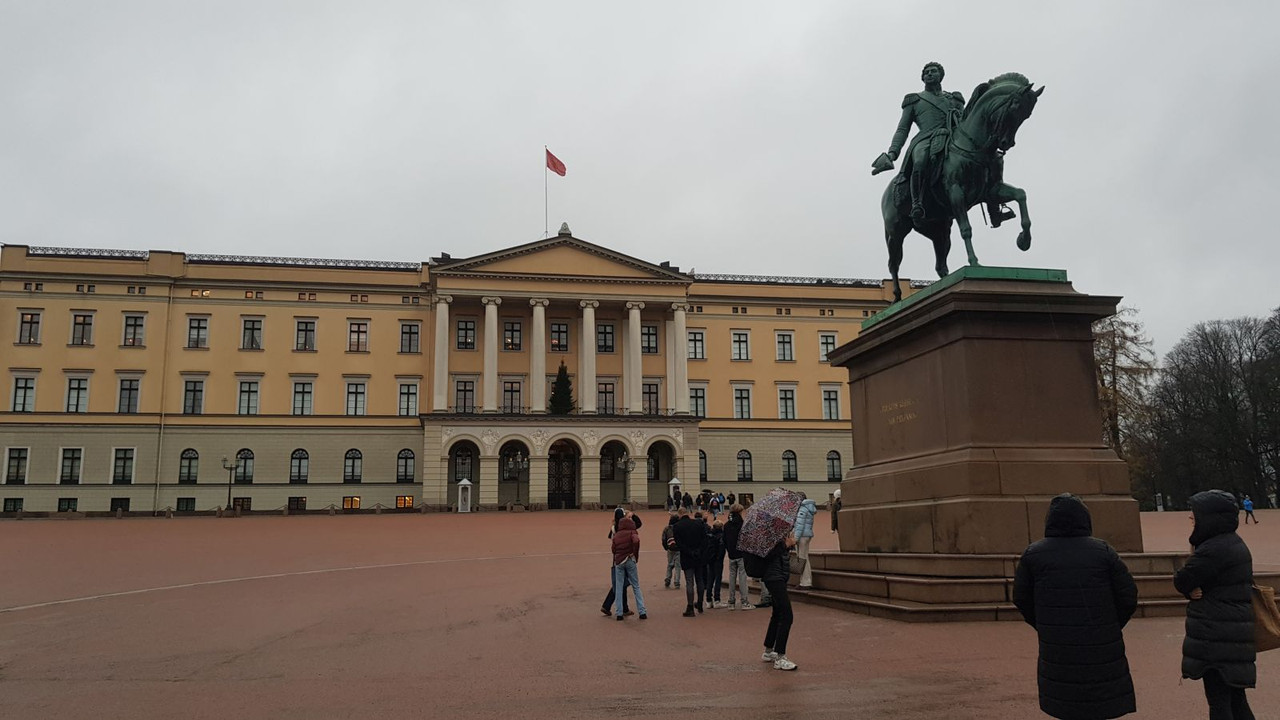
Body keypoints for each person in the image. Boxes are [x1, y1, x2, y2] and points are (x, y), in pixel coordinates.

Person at [1012, 494, 1138, 720]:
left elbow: (1022, 598)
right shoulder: (1103, 551)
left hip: (1058, 643)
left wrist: (1047, 625)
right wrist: (1109, 625)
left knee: (1065, 704)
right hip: (1100, 642)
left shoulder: (1034, 554)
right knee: (1101, 703)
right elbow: (1128, 597)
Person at [1174, 490, 1256, 720]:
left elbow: (1183, 579)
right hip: (1232, 633)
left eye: (1195, 514)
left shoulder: (1212, 549)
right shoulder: (1232, 542)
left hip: (1216, 634)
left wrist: (1189, 587)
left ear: (1209, 517)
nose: (1191, 518)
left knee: (1219, 702)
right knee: (1236, 700)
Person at [760, 535, 798, 671]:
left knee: (777, 613)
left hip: (778, 576)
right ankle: (780, 657)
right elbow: (768, 554)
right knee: (787, 615)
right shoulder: (768, 535)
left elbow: (779, 554)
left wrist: (788, 545)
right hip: (774, 577)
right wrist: (785, 545)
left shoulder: (777, 534)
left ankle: (769, 650)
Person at [601, 507, 642, 616]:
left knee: (620, 582)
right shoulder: (625, 526)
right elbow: (639, 524)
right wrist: (633, 515)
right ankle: (614, 606)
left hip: (617, 556)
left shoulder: (614, 527)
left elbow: (611, 538)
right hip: (626, 556)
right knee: (622, 583)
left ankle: (619, 607)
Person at [610, 515, 647, 620]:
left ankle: (619, 613)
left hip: (619, 561)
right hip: (630, 559)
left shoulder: (616, 535)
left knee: (619, 587)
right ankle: (642, 611)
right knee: (636, 586)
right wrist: (634, 553)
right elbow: (636, 541)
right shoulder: (632, 532)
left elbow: (613, 549)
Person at [672, 507, 707, 617]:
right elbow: (704, 540)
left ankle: (690, 607)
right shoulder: (698, 524)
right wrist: (698, 551)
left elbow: (678, 543)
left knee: (689, 581)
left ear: (679, 514)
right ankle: (700, 603)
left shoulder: (677, 526)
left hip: (687, 556)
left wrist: (689, 552)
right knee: (700, 580)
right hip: (699, 556)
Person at [723, 503, 753, 610]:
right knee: (742, 578)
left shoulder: (726, 525)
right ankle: (744, 601)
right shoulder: (743, 524)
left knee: (732, 578)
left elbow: (724, 540)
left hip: (731, 554)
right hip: (741, 554)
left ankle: (731, 601)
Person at [794, 493, 817, 588]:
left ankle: (805, 582)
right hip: (807, 535)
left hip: (802, 536)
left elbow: (800, 525)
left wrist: (795, 538)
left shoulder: (802, 509)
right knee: (804, 558)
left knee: (802, 558)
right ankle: (805, 581)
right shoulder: (809, 508)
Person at [706, 520, 727, 608]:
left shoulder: (709, 536)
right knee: (718, 579)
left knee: (710, 579)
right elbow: (721, 549)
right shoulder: (721, 536)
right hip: (718, 561)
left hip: (710, 559)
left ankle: (708, 600)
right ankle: (717, 600)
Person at [662, 513, 681, 589]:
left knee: (670, 564)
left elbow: (664, 539)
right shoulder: (679, 528)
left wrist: (666, 547)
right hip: (678, 548)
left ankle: (668, 578)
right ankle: (677, 581)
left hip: (670, 548)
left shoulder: (667, 528)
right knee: (678, 566)